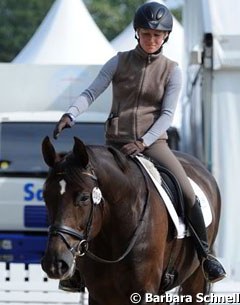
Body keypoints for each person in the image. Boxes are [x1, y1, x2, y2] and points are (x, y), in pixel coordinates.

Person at [53, 2, 226, 291]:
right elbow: (92, 91)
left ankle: (205, 255)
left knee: (186, 191)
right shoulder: (118, 61)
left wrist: (143, 141)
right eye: (146, 34)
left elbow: (167, 116)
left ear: (166, 37)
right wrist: (71, 113)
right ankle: (78, 270)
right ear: (137, 33)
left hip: (153, 144)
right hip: (116, 146)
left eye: (158, 35)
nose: (152, 40)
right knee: (86, 195)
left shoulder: (172, 71)